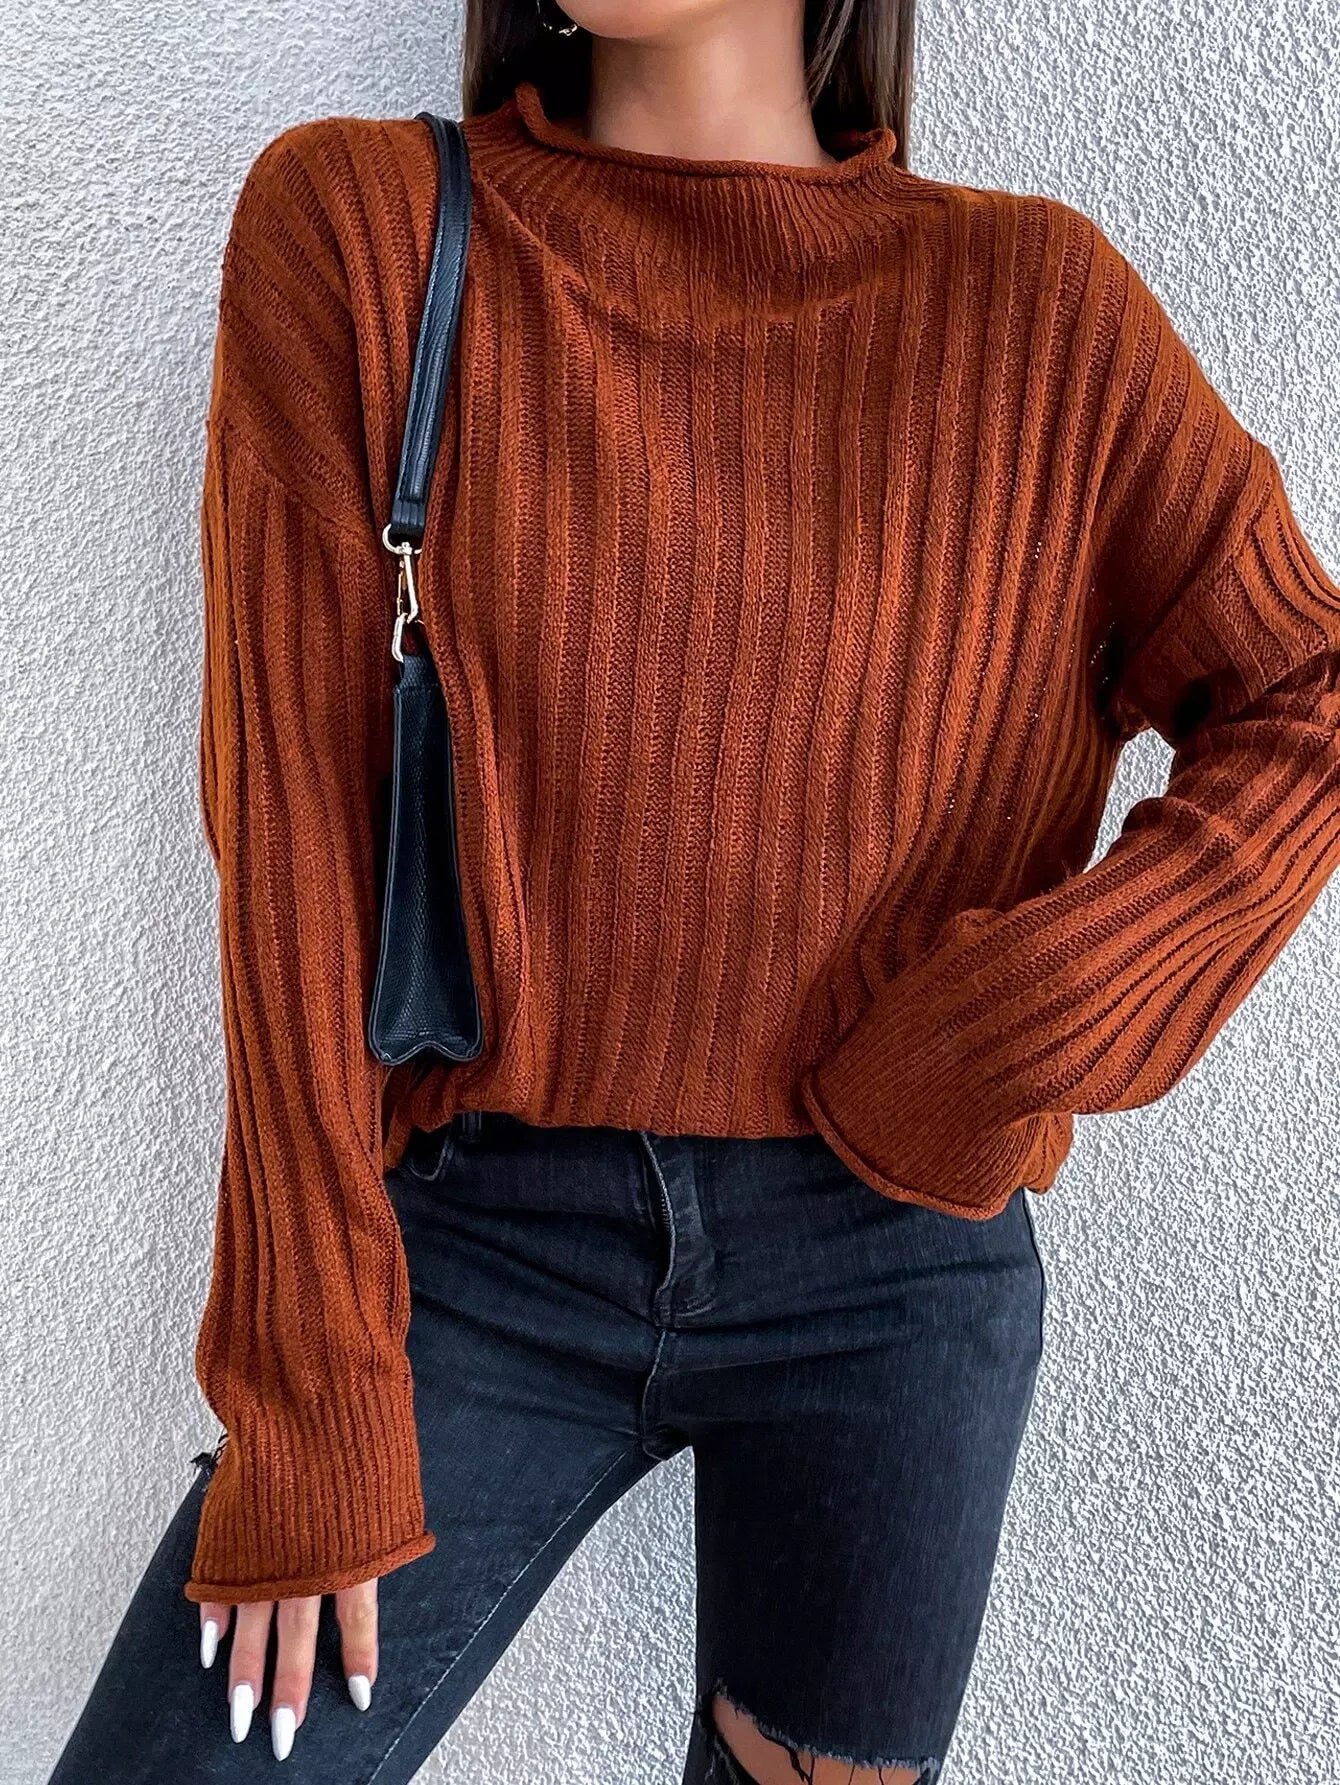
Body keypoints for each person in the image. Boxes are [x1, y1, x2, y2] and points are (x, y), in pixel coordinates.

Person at [49, 0, 1340, 1779]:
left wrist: (1006, 1028)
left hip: (888, 1265)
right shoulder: (360, 231)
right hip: (467, 1248)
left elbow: (1305, 694)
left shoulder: (1039, 311)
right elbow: (289, 846)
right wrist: (310, 1379)